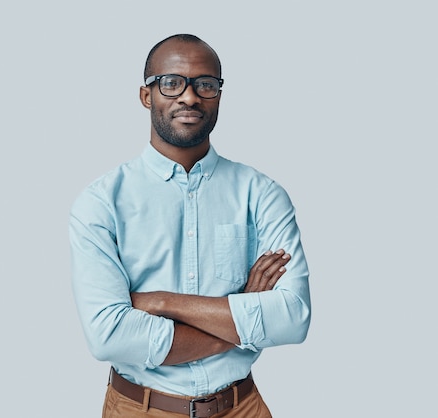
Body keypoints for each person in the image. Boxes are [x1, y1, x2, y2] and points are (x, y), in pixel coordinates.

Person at [69, 34, 311, 418]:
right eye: (171, 82)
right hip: (139, 409)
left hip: (242, 407)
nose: (189, 96)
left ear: (218, 94)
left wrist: (161, 302)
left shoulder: (262, 194)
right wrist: (242, 315)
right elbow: (108, 336)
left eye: (205, 84)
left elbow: (292, 318)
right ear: (146, 96)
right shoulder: (101, 202)